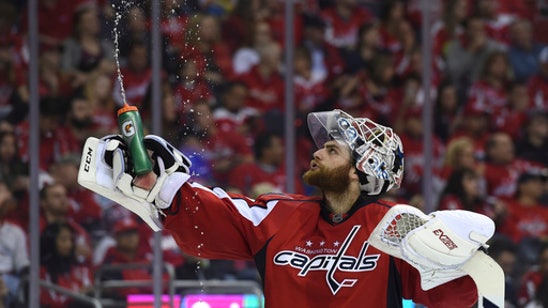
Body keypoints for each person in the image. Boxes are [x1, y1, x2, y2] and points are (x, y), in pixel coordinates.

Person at [79, 109, 498, 307]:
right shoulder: (281, 215)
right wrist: (159, 183)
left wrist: (463, 264)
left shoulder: (396, 227)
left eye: (331, 150)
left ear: (361, 170)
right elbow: (211, 214)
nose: (316, 154)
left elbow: (460, 299)